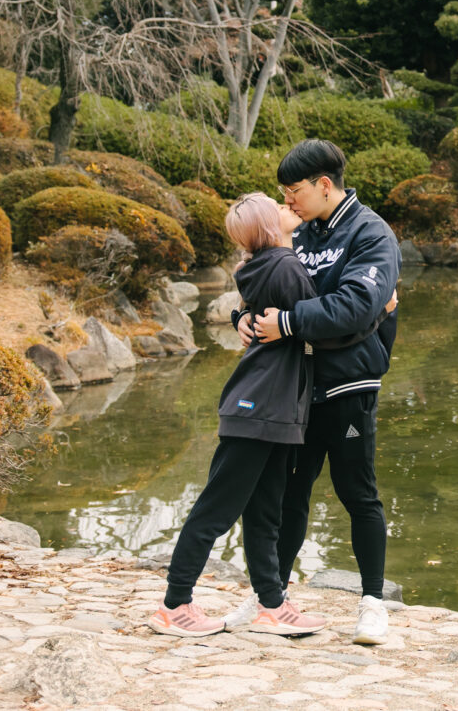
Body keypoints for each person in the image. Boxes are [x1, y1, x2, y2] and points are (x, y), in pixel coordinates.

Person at [244, 138, 400, 646]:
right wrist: (245, 319)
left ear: (324, 185)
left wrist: (289, 322)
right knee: (291, 493)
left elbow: (356, 307)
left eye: (293, 191)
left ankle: (373, 605)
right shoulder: (301, 233)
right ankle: (274, 595)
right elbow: (273, 288)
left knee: (359, 493)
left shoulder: (371, 232)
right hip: (297, 385)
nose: (287, 201)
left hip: (350, 383)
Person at [150, 195, 324, 638]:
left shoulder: (269, 265)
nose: (291, 207)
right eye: (280, 207)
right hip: (259, 407)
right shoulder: (283, 265)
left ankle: (272, 604)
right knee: (215, 510)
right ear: (270, 227)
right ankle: (175, 604)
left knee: (266, 512)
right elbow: (318, 319)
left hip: (273, 407)